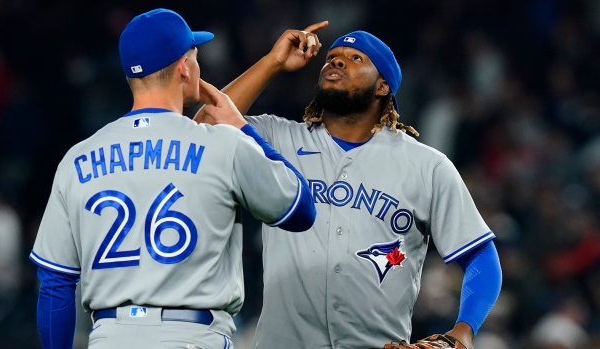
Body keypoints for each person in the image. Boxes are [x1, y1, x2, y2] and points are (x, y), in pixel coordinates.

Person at [195, 26, 503, 349]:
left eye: (355, 58)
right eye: (332, 58)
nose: (337, 63)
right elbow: (205, 127)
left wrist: (464, 331)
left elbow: (480, 255)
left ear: (383, 86)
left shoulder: (426, 166)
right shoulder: (278, 138)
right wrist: (272, 62)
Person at [28, 8, 317, 349]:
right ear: (184, 67)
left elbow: (54, 285)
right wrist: (242, 127)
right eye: (194, 56)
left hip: (109, 337)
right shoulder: (221, 143)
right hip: (192, 336)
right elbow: (301, 210)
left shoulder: (77, 159)